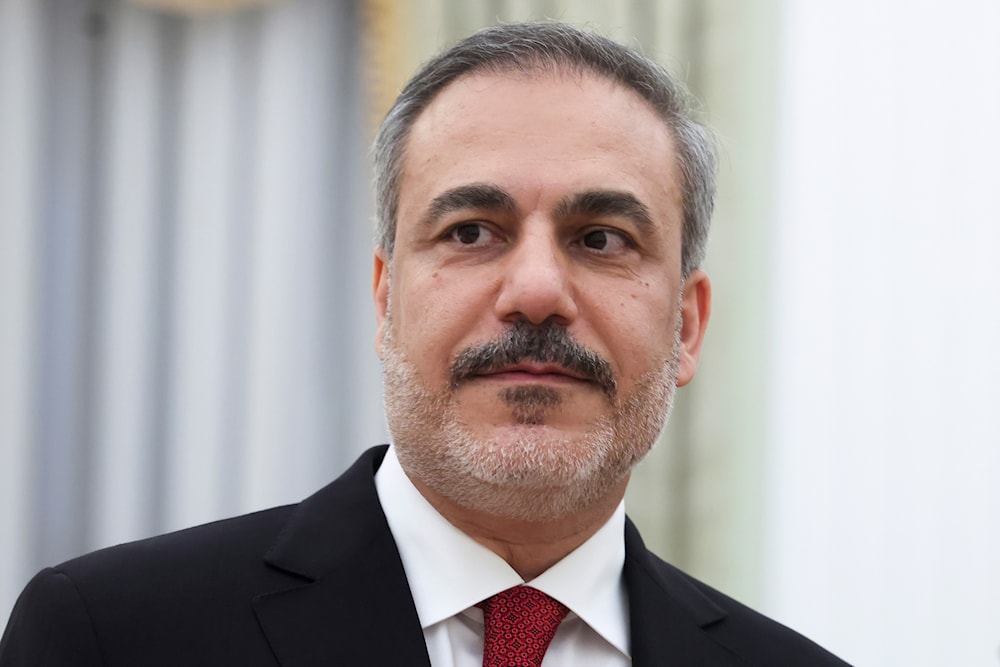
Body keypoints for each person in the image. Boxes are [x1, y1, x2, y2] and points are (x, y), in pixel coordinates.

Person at [0, 22, 847, 666]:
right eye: (473, 229)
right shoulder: (109, 635)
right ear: (384, 297)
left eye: (602, 238)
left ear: (688, 326)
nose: (537, 293)